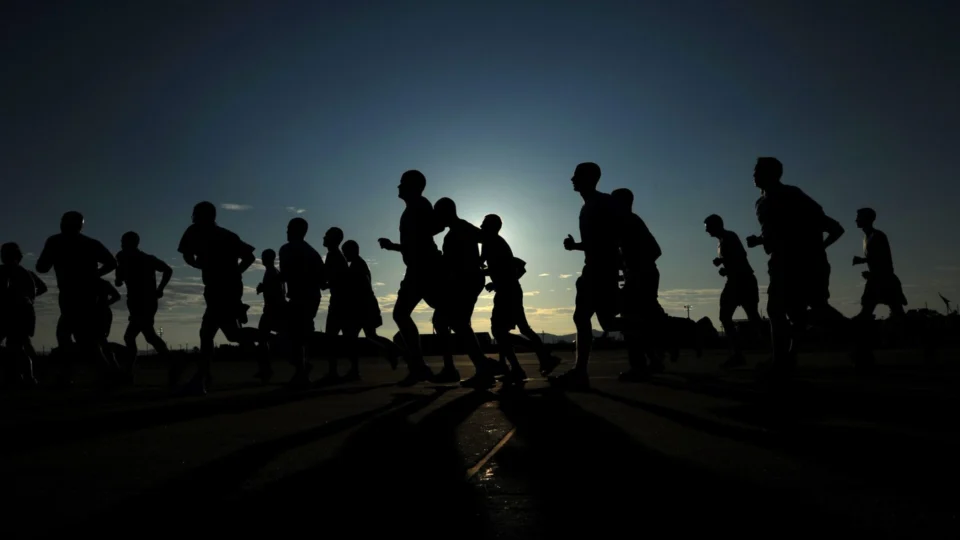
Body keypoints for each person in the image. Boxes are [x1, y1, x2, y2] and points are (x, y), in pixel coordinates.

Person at [745, 157, 848, 381]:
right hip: (780, 263)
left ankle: (855, 337)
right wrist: (761, 240)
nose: (753, 175)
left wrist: (818, 248)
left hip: (804, 263)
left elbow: (832, 227)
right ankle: (783, 359)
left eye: (757, 171)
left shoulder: (792, 195)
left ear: (772, 174)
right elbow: (779, 232)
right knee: (783, 312)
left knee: (813, 309)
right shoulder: (760, 203)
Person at [550, 162, 628, 390]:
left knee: (583, 317)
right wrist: (576, 247)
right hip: (597, 267)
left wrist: (618, 265)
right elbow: (599, 241)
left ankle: (580, 372)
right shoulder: (589, 206)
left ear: (589, 178)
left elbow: (612, 238)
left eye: (576, 175)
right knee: (607, 321)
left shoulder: (602, 203)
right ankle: (656, 329)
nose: (571, 179)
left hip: (600, 269)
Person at [177, 201, 257, 395]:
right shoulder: (227, 235)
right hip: (226, 287)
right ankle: (264, 347)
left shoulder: (195, 232)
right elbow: (250, 257)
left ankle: (201, 378)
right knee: (230, 334)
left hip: (219, 289)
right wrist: (236, 272)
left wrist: (200, 265)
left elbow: (187, 256)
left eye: (196, 213)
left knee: (208, 333)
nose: (194, 217)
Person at [36, 211, 121, 384]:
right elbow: (112, 263)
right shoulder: (90, 243)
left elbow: (42, 267)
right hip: (85, 295)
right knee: (84, 338)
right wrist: (94, 275)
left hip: (72, 295)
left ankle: (73, 374)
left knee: (69, 335)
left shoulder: (55, 241)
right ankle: (101, 374)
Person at [377, 170, 445, 386]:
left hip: (423, 268)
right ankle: (420, 367)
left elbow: (428, 233)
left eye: (402, 183)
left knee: (403, 313)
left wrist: (394, 246)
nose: (398, 187)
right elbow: (427, 233)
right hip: (419, 268)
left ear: (413, 187)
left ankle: (421, 366)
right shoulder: (414, 207)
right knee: (441, 315)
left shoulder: (419, 205)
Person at [480, 214, 561, 384]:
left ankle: (520, 366)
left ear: (491, 227)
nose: (481, 226)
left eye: (484, 224)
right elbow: (499, 267)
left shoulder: (492, 243)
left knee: (500, 331)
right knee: (514, 329)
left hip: (507, 292)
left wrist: (492, 280)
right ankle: (534, 360)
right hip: (508, 290)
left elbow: (505, 268)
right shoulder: (493, 243)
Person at [431, 197, 502, 388]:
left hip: (466, 281)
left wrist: (481, 261)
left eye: (438, 214)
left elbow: (487, 238)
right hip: (462, 281)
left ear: (445, 212)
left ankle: (481, 369)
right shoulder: (455, 231)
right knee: (444, 321)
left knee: (457, 323)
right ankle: (455, 368)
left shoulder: (462, 228)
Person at [611, 188, 667, 381]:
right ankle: (654, 359)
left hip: (642, 276)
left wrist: (635, 270)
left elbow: (655, 250)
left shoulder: (630, 222)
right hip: (642, 275)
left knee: (631, 320)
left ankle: (639, 366)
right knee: (643, 321)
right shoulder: (627, 223)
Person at [704, 214, 764, 369]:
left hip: (742, 281)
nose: (706, 231)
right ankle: (738, 354)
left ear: (715, 225)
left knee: (751, 316)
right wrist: (725, 267)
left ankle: (769, 350)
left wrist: (723, 262)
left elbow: (740, 256)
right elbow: (736, 259)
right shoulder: (722, 241)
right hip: (736, 281)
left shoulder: (729, 237)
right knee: (729, 316)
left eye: (708, 227)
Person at [115, 231, 173, 383]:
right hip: (137, 302)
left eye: (124, 241)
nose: (121, 243)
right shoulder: (123, 257)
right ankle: (172, 364)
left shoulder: (145, 259)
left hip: (145, 301)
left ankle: (129, 372)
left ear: (131, 243)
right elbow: (120, 277)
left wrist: (160, 289)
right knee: (143, 336)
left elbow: (168, 270)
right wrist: (119, 278)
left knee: (141, 335)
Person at [340, 239, 401, 376]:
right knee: (369, 335)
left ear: (352, 251)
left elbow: (363, 286)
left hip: (362, 307)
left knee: (354, 338)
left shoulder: (357, 266)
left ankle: (394, 351)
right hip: (365, 305)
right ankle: (394, 351)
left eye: (346, 252)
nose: (345, 255)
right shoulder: (358, 264)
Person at [278, 217, 325, 388]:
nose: (287, 231)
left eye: (289, 228)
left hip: (300, 297)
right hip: (311, 296)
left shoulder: (287, 250)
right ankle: (302, 370)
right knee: (299, 336)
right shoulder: (312, 253)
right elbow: (323, 280)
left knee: (290, 336)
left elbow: (285, 274)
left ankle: (302, 369)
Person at [0, 242, 47, 387]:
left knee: (16, 347)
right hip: (25, 311)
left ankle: (22, 377)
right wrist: (29, 298)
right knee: (19, 346)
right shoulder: (28, 273)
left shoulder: (4, 271)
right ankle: (26, 377)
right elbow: (43, 288)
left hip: (12, 312)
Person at [853, 208, 907, 318]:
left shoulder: (878, 236)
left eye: (859, 217)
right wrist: (864, 261)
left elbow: (883, 258)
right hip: (878, 278)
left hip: (883, 279)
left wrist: (870, 269)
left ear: (867, 219)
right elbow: (876, 256)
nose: (856, 220)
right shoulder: (867, 237)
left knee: (896, 312)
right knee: (894, 311)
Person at [319, 227, 351, 384]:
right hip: (341, 301)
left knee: (331, 337)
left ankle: (334, 372)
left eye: (326, 235)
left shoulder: (334, 256)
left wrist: (323, 281)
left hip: (340, 302)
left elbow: (333, 278)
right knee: (345, 337)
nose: (323, 238)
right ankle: (348, 370)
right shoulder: (335, 256)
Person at [254, 248, 285, 383]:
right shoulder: (273, 272)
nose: (262, 259)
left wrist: (263, 288)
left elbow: (275, 291)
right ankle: (265, 369)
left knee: (262, 339)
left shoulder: (272, 272)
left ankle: (266, 370)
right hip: (274, 310)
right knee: (264, 338)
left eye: (264, 256)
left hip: (272, 310)